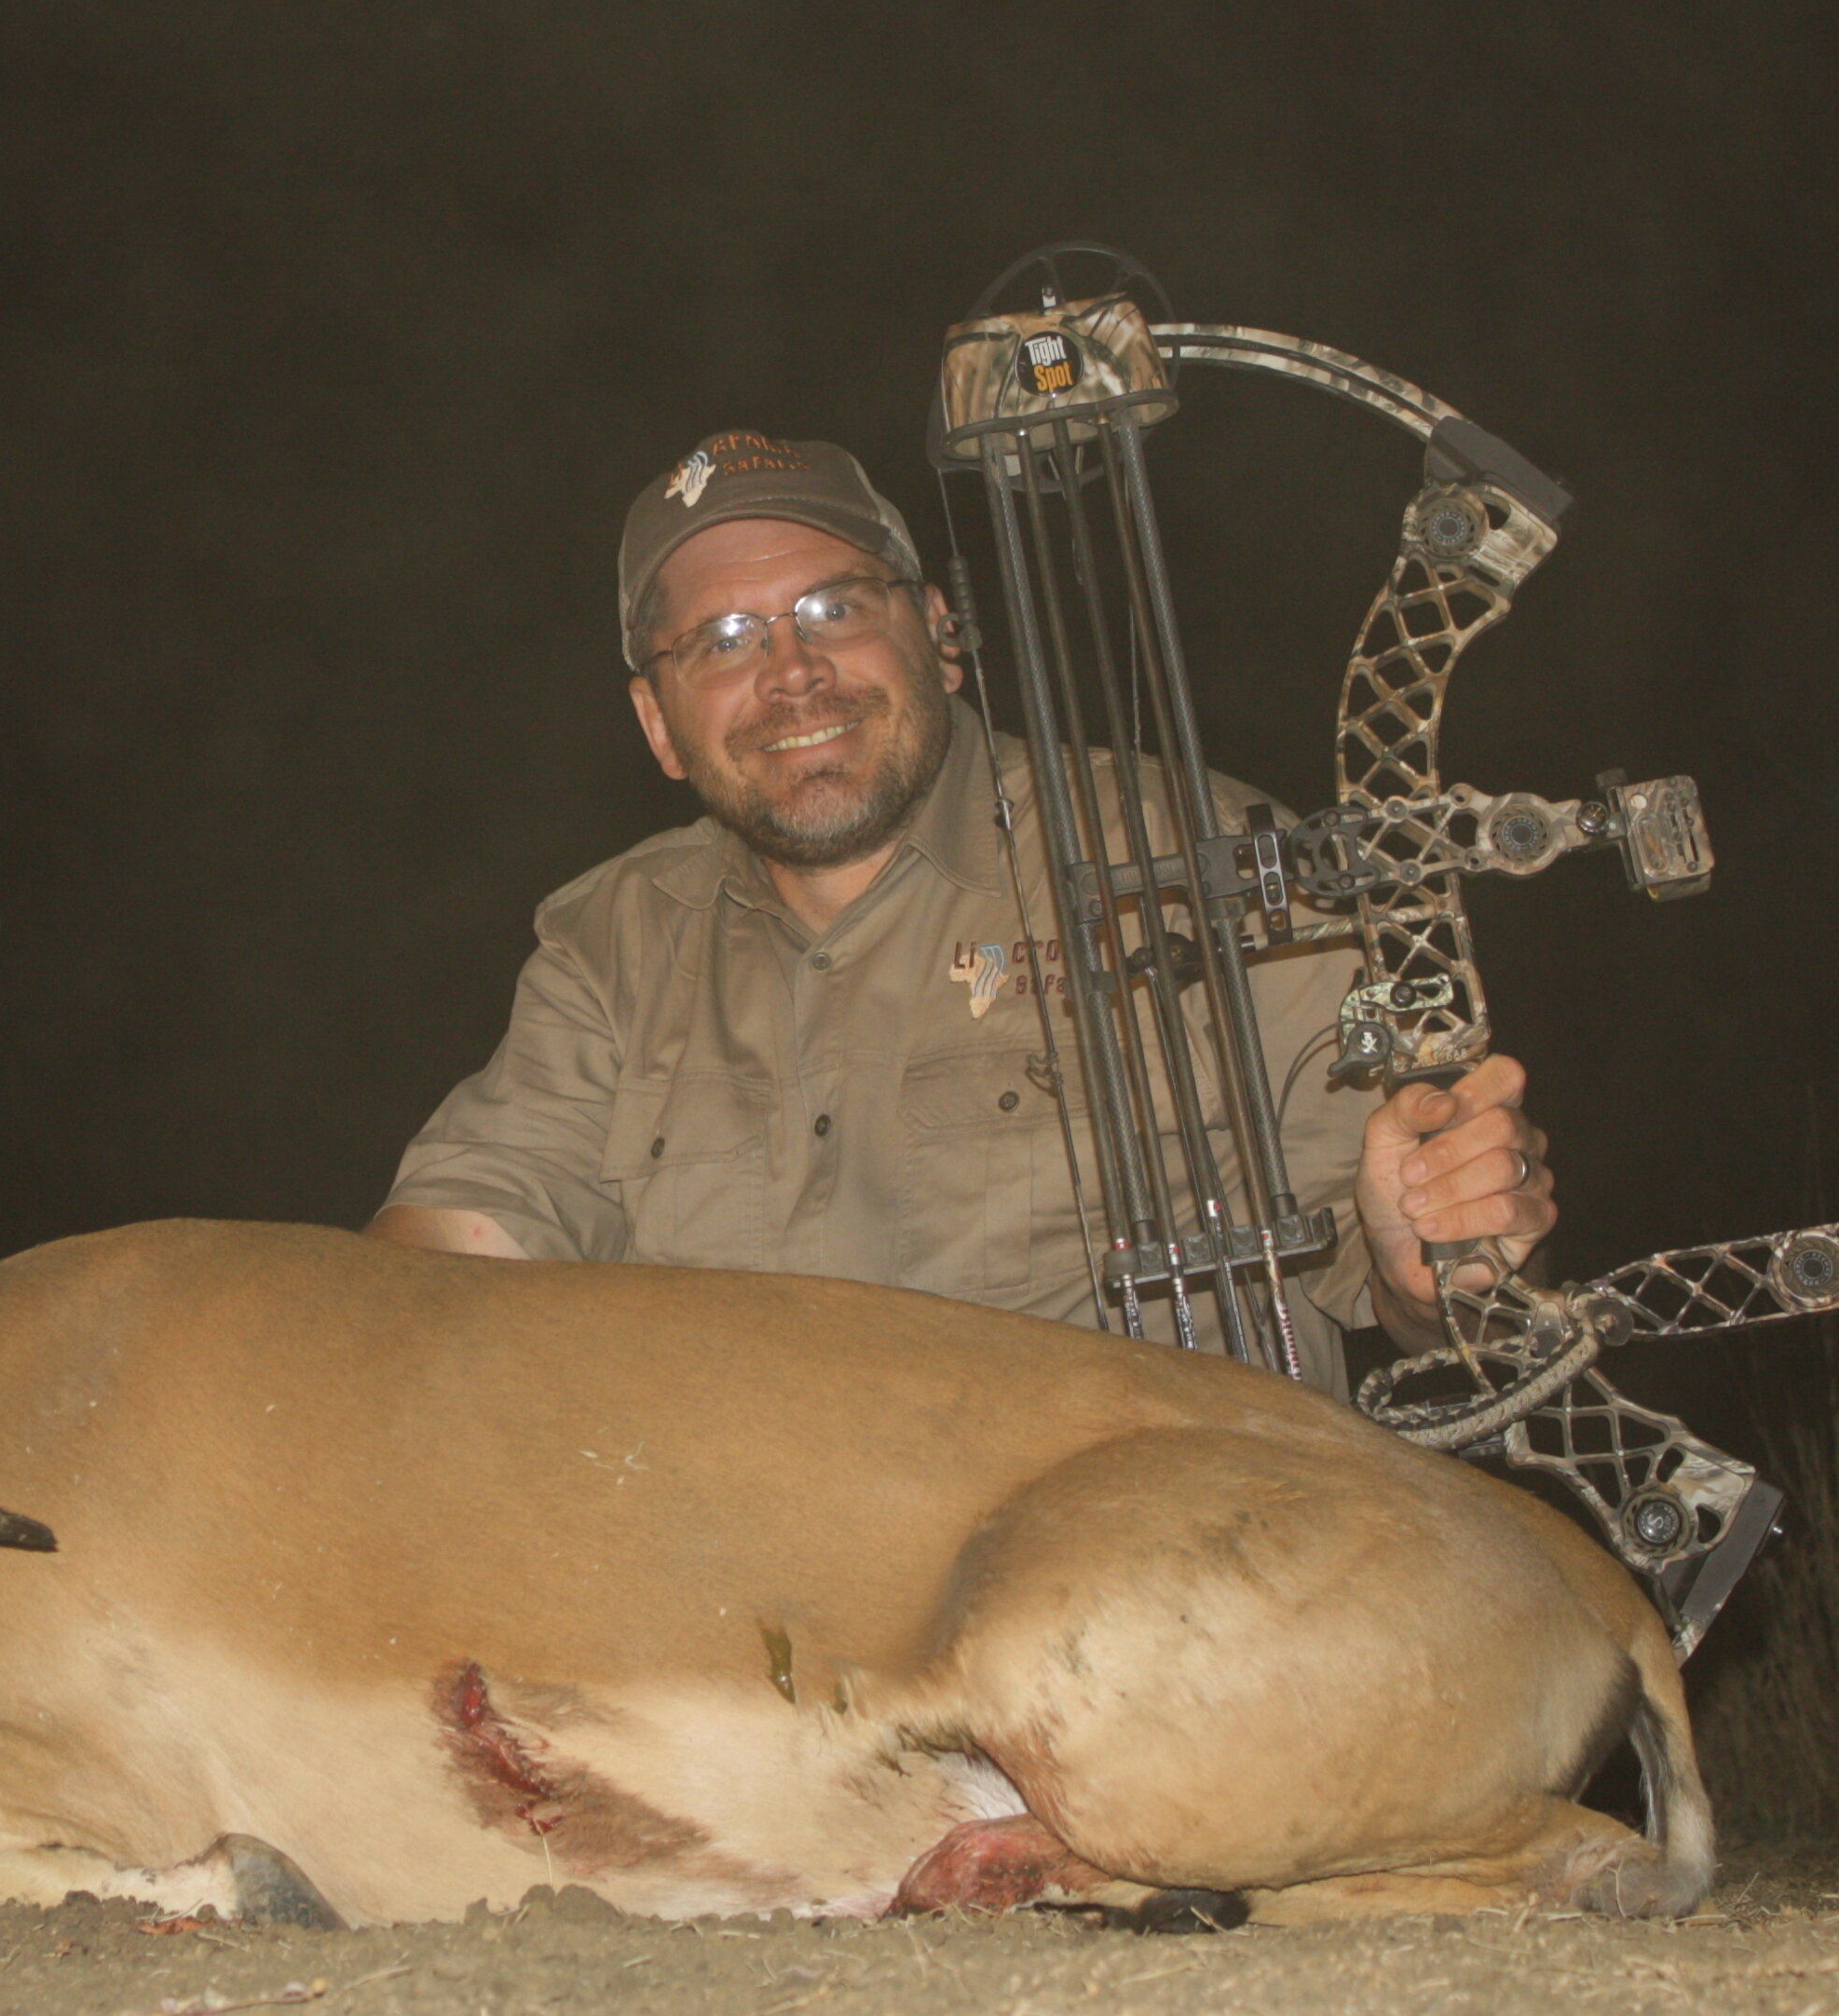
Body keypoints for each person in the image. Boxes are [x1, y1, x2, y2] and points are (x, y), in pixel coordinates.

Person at [368, 430, 1556, 1360]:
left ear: (938, 633)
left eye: (835, 607)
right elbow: (456, 1247)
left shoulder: (1209, 861)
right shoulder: (609, 943)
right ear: (657, 723)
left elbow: (1418, 1271)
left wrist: (1437, 1256)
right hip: (735, 1616)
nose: (792, 673)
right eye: (723, 640)